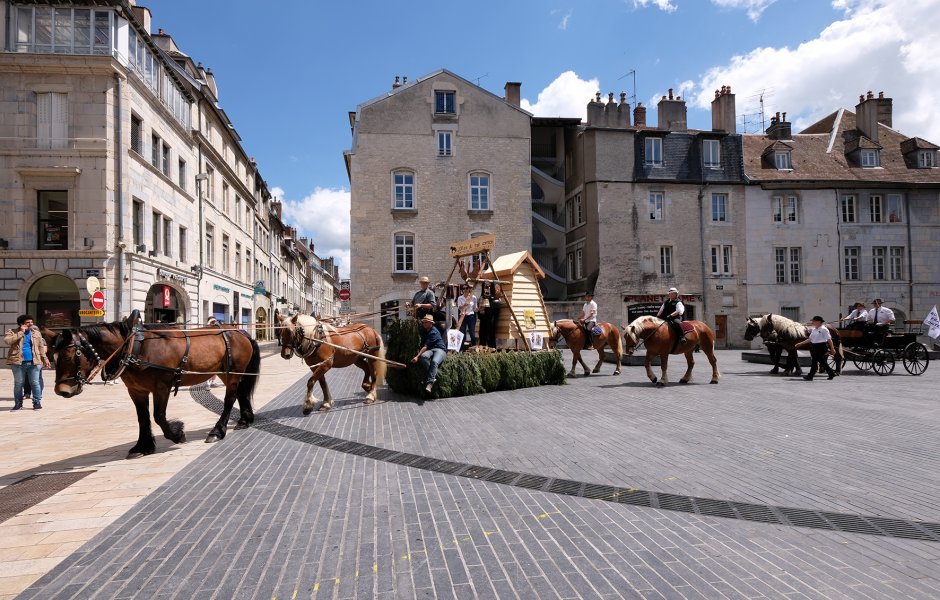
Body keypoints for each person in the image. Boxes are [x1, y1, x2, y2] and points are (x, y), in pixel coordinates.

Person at [5, 314, 52, 410]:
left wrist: (45, 359)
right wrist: (21, 333)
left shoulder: (36, 333)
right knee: (18, 383)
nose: (31, 324)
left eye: (31, 322)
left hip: (34, 362)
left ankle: (37, 403)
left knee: (35, 383)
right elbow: (7, 341)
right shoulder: (12, 332)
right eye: (28, 322)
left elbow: (40, 347)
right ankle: (18, 404)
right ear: (22, 324)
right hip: (17, 362)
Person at [411, 314, 447, 394]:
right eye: (423, 322)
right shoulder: (427, 330)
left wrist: (417, 356)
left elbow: (425, 347)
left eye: (426, 322)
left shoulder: (433, 331)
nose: (424, 324)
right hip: (432, 350)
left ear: (431, 323)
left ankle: (430, 383)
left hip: (440, 349)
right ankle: (432, 376)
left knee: (434, 362)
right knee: (424, 356)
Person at [796, 316, 836, 381]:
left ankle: (810, 376)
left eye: (813, 321)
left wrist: (832, 348)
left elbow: (829, 339)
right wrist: (800, 343)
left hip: (821, 347)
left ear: (819, 322)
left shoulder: (824, 329)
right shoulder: (814, 329)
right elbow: (810, 339)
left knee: (814, 361)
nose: (812, 322)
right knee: (822, 361)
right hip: (814, 347)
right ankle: (831, 373)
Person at [206, 316, 225, 388]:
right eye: (212, 322)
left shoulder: (216, 327)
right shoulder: (206, 328)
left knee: (216, 367)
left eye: (214, 322)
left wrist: (216, 322)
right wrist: (209, 323)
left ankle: (213, 382)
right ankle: (207, 383)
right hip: (208, 350)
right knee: (208, 368)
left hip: (215, 350)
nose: (213, 323)